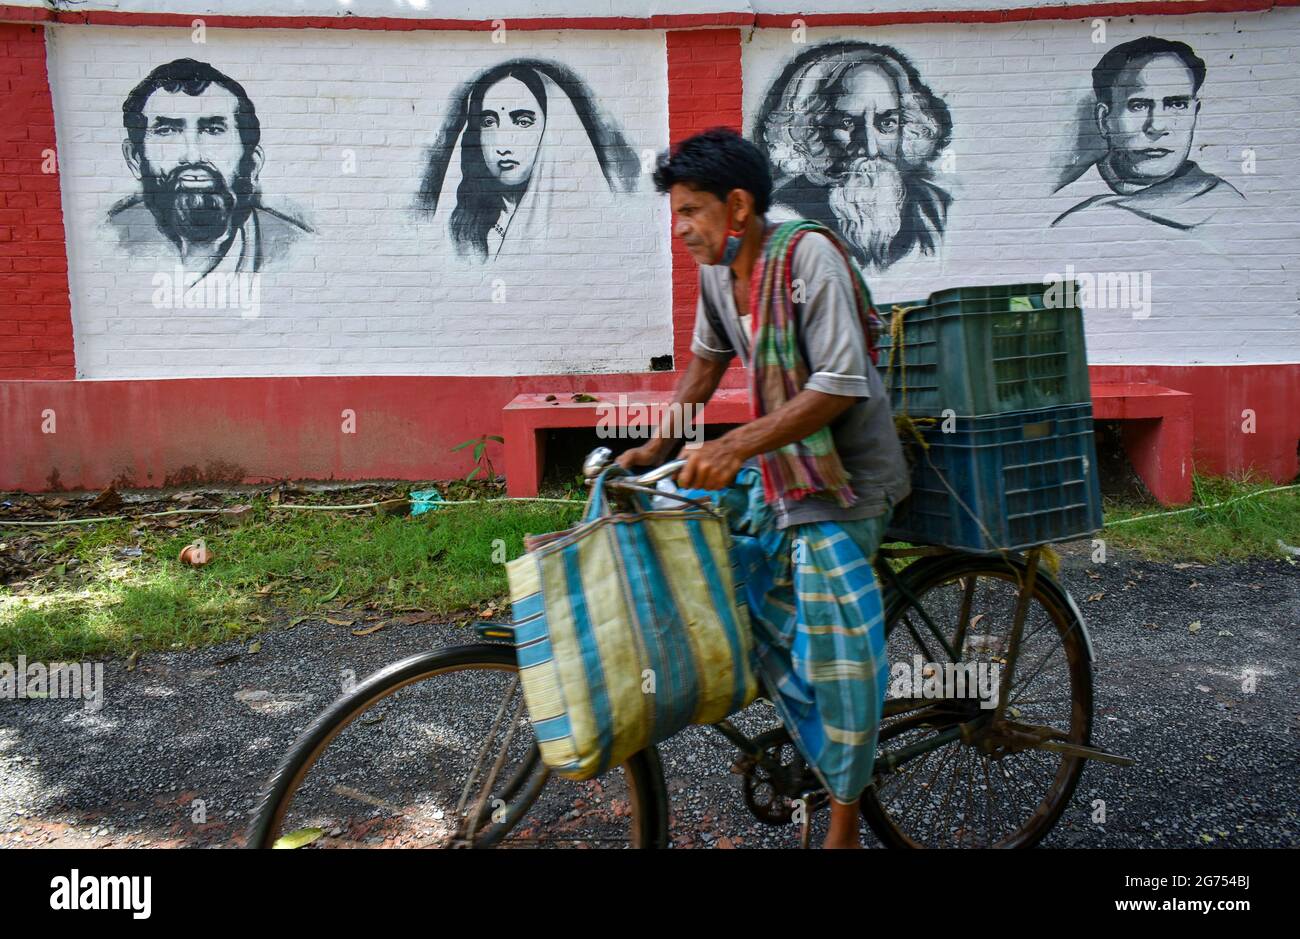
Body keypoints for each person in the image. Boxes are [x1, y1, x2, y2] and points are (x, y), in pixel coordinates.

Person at [618, 127, 911, 848]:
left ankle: (844, 824)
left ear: (739, 206)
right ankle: (813, 738)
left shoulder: (807, 257)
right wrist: (656, 444)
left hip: (846, 485)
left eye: (692, 211)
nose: (681, 228)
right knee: (730, 587)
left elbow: (840, 382)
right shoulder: (719, 273)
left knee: (837, 655)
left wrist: (736, 443)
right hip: (786, 473)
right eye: (676, 213)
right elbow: (705, 366)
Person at [108, 58, 311, 287]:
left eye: (213, 130)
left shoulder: (296, 248)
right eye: (166, 131)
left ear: (252, 163)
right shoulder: (108, 243)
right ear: (135, 159)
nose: (193, 156)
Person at [754, 41, 952, 271]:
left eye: (886, 123)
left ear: (905, 128)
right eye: (847, 123)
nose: (870, 147)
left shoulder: (932, 206)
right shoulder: (784, 213)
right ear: (814, 128)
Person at [416, 60, 640, 262]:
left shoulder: (583, 226)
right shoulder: (462, 226)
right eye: (489, 122)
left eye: (523, 122)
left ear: (550, 129)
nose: (502, 145)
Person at [1051, 37, 1244, 230]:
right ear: (1104, 120)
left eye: (1177, 105)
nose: (1157, 126)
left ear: (1194, 113)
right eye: (1139, 106)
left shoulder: (1228, 209)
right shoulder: (1061, 206)